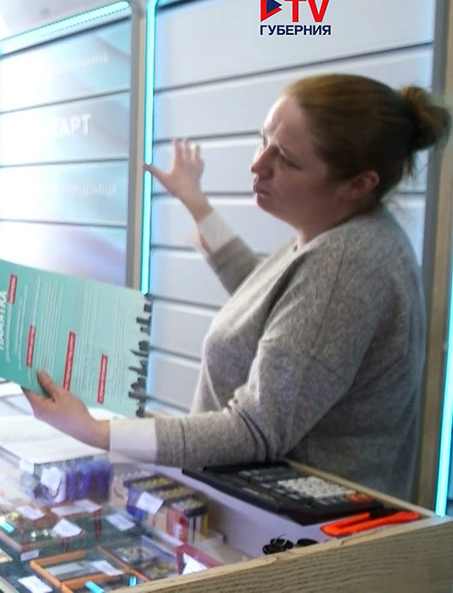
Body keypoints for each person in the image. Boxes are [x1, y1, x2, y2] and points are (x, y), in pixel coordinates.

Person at [24, 74, 450, 498]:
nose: (258, 164)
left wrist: (97, 432)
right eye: (263, 140)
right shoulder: (342, 236)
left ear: (358, 184)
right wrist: (195, 203)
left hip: (296, 525)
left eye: (285, 159)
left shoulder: (347, 264)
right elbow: (269, 298)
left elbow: (254, 429)